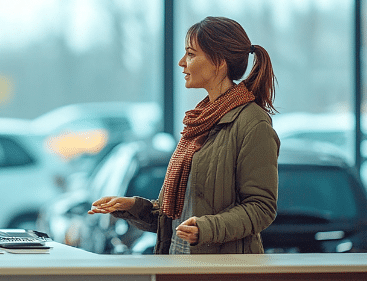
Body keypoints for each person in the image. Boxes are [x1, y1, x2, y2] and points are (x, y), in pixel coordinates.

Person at [88, 16, 279, 254]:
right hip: (178, 265)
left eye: (190, 54)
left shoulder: (252, 122)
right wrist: (133, 207)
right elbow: (176, 213)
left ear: (219, 62)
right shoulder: (200, 121)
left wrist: (206, 228)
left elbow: (261, 208)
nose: (181, 62)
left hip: (223, 271)